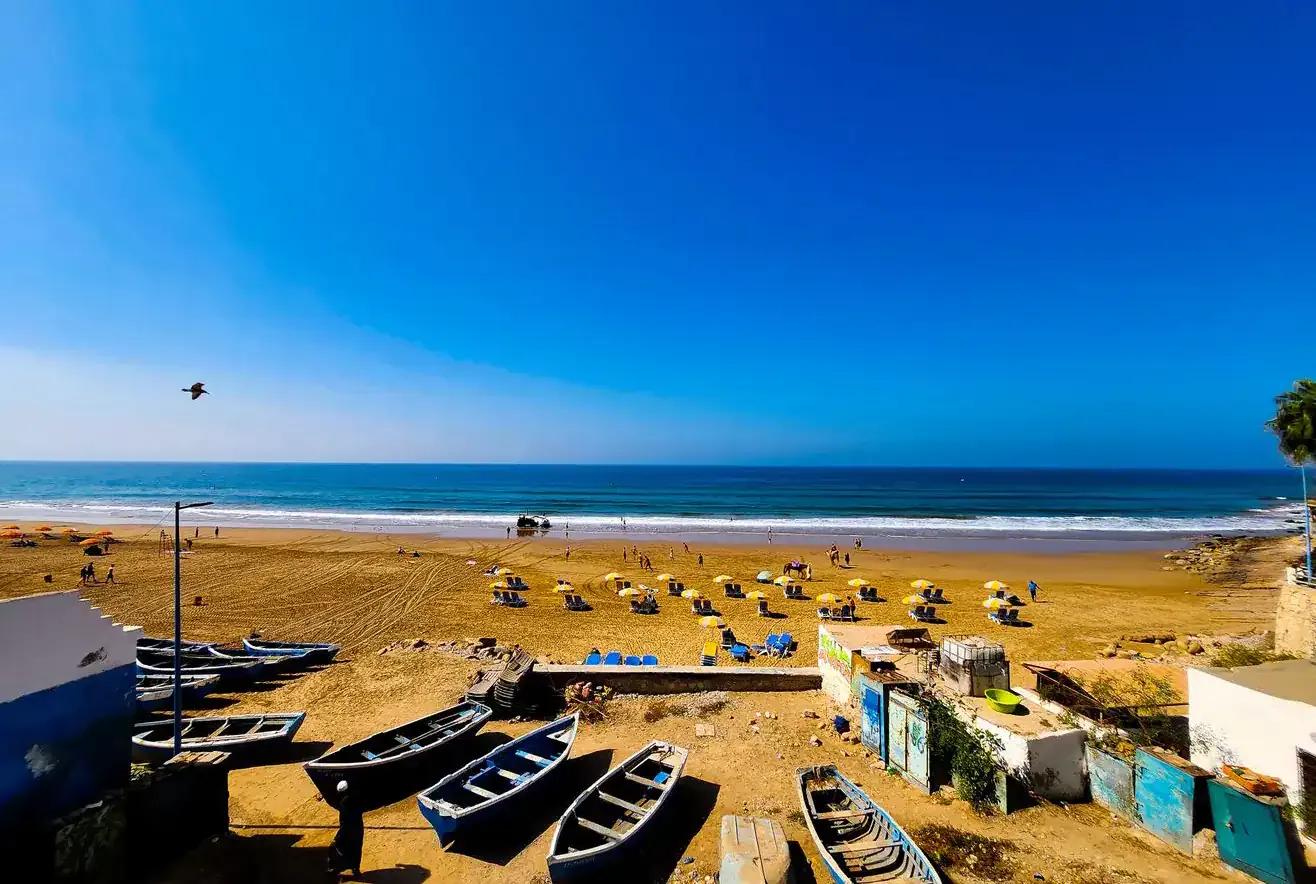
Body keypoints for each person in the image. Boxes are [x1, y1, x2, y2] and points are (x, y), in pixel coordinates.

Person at [328, 780, 363, 878]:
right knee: (356, 848)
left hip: (347, 830)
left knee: (336, 847)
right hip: (358, 828)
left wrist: (339, 835)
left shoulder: (344, 803)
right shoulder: (356, 797)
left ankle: (335, 868)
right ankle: (355, 869)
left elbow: (345, 822)